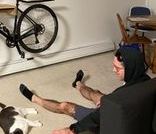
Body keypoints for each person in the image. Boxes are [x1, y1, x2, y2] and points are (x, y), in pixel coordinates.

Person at [19, 47, 151, 134]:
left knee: (65, 106)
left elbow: (97, 117)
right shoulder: (146, 82)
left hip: (108, 121)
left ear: (130, 68)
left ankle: (35, 99)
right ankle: (78, 84)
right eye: (113, 66)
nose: (113, 70)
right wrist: (107, 102)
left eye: (118, 68)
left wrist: (72, 129)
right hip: (118, 111)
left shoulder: (117, 100)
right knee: (96, 94)